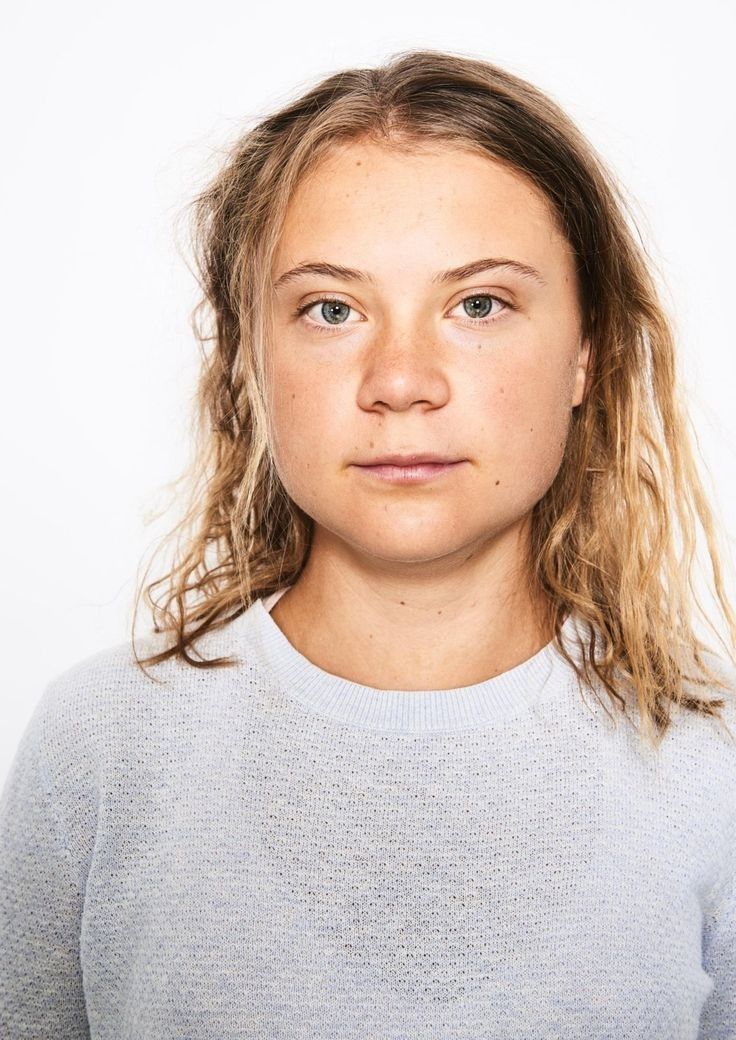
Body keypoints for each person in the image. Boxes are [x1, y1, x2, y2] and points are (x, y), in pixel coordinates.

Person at [1, 47, 735, 1039]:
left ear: (586, 352)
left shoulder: (712, 766)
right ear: (247, 355)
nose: (400, 378)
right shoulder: (97, 747)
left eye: (478, 304)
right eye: (331, 308)